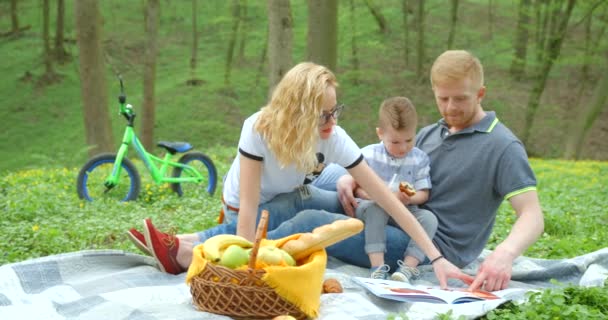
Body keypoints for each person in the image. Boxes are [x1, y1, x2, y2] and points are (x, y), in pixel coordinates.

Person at [127, 61, 471, 287]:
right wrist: (244, 271)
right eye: (322, 115)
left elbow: (388, 200)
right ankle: (185, 253)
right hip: (246, 211)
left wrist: (437, 257)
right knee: (299, 214)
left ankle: (183, 241)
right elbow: (248, 208)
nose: (332, 122)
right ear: (296, 113)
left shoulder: (331, 135)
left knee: (310, 201)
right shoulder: (258, 128)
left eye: (335, 111)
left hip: (288, 198)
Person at [328, 49, 544, 291]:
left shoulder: (503, 146)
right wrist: (351, 178)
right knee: (325, 185)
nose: (450, 107)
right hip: (395, 216)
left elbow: (532, 215)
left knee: (312, 220)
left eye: (460, 98)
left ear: (480, 94)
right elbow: (386, 171)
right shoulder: (429, 133)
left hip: (426, 246)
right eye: (443, 98)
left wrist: (505, 254)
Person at [352, 96, 437, 283]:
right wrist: (381, 197)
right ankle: (377, 266)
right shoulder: (368, 155)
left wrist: (410, 198)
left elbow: (424, 193)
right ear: (380, 133)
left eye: (409, 140)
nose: (403, 148)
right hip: (372, 206)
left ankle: (407, 268)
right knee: (376, 209)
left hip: (405, 210)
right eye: (395, 142)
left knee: (429, 219)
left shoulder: (419, 158)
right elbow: (357, 189)